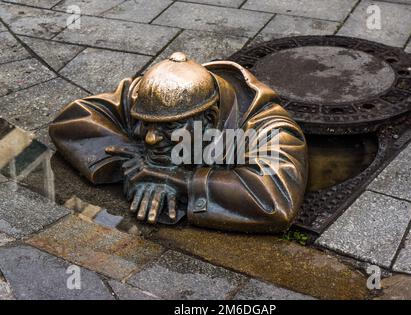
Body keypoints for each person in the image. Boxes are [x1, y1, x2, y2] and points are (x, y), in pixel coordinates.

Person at [49, 52, 308, 233]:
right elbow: (73, 119)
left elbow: (276, 200)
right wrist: (130, 160)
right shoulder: (150, 100)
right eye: (147, 125)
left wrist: (180, 181)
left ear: (210, 118)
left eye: (169, 129)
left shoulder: (268, 127)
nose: (150, 137)